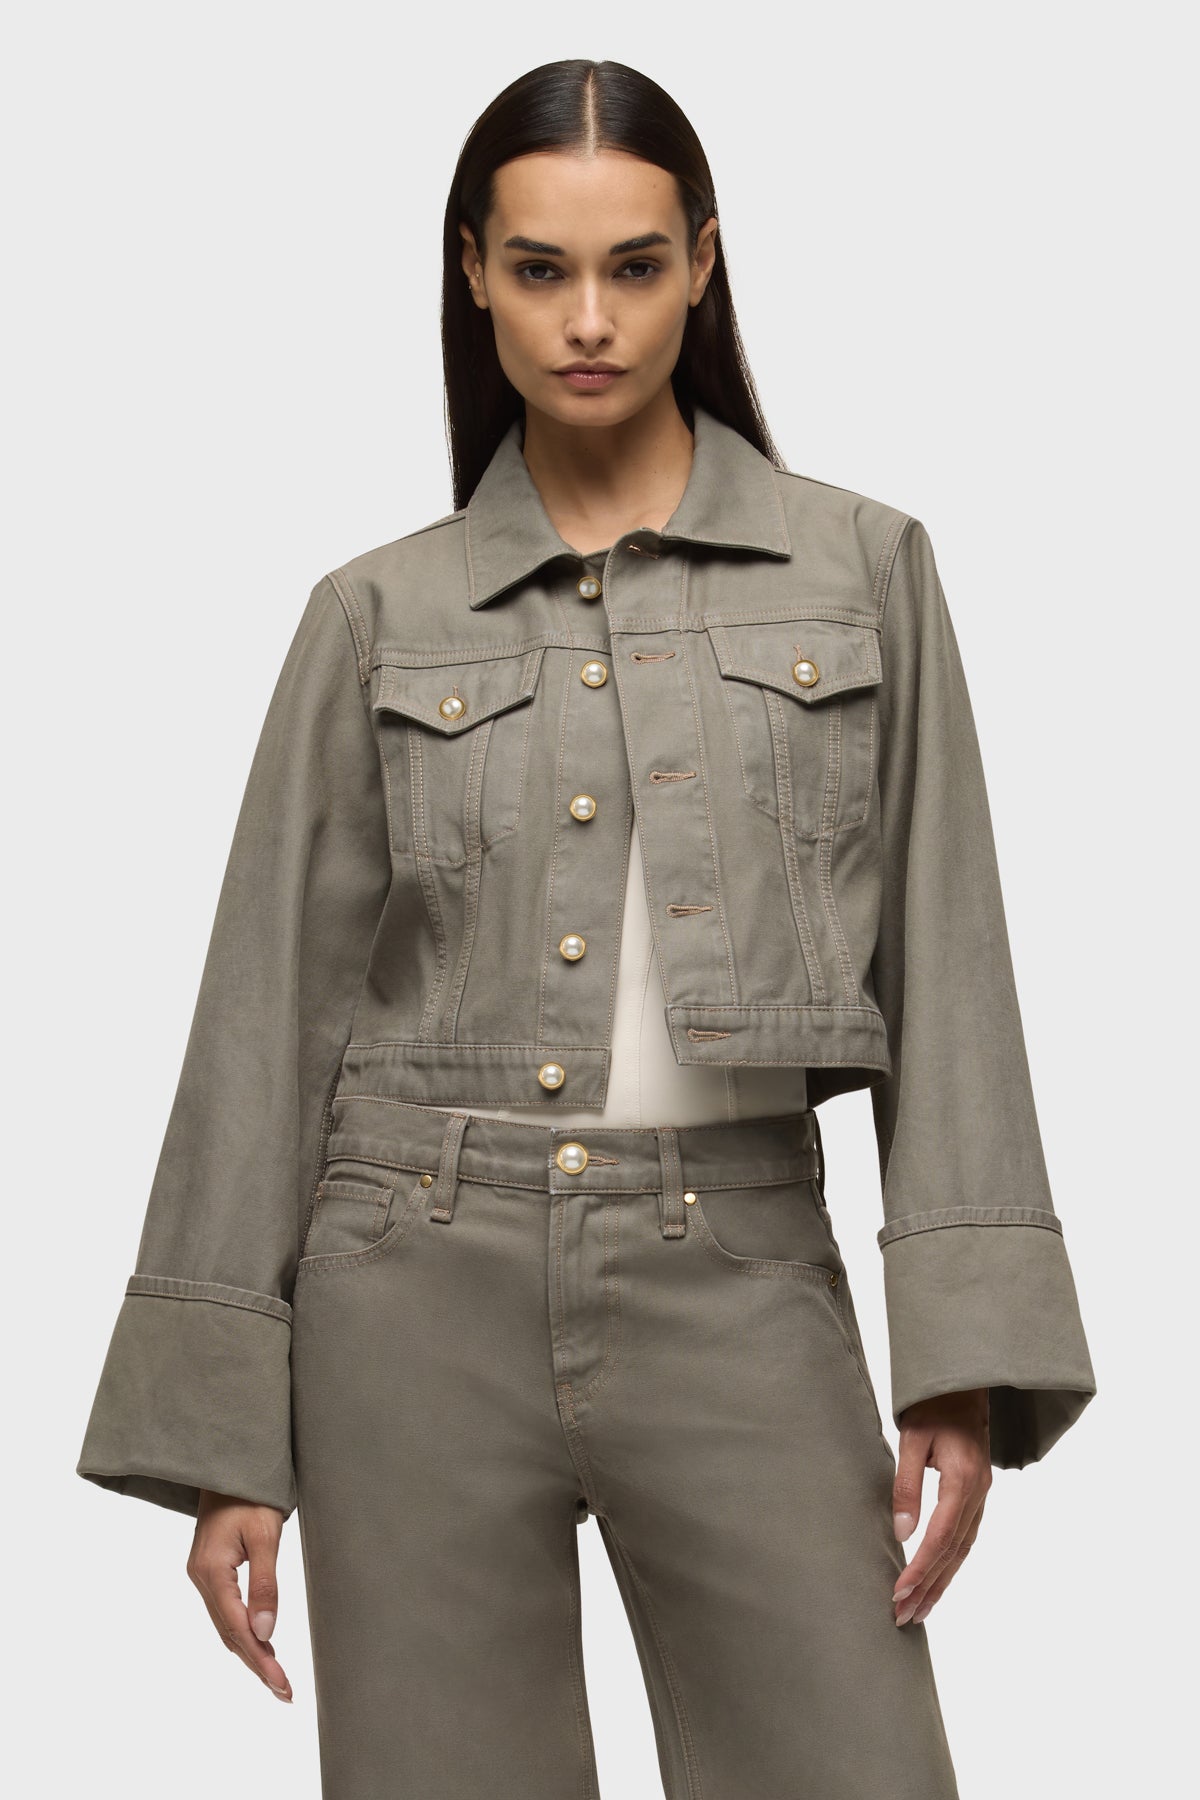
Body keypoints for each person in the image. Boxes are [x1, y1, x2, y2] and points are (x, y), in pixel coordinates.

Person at [75, 56, 1097, 1799]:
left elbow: (951, 960)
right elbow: (265, 1012)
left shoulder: (864, 570)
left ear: (705, 262)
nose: (590, 320)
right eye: (541, 269)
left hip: (739, 1265)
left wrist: (965, 1359)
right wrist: (223, 1430)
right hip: (409, 1282)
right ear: (474, 272)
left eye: (633, 265)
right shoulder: (374, 612)